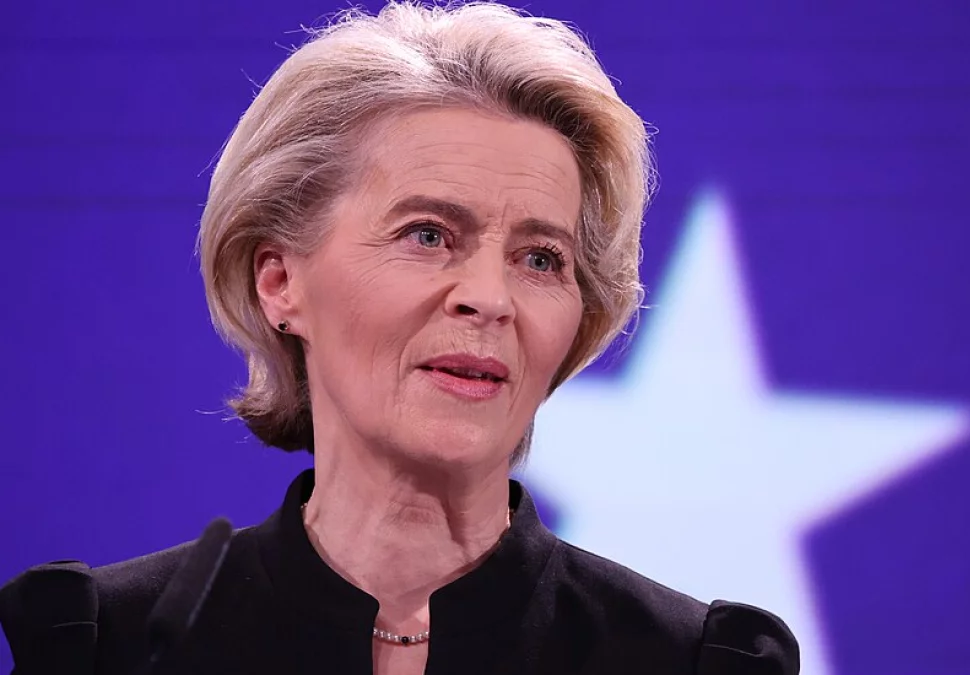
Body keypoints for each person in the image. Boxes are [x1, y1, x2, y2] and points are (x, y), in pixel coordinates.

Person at [0, 2, 799, 673]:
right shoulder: (110, 644)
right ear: (279, 282)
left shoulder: (684, 659)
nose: (490, 298)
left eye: (540, 258)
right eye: (428, 234)